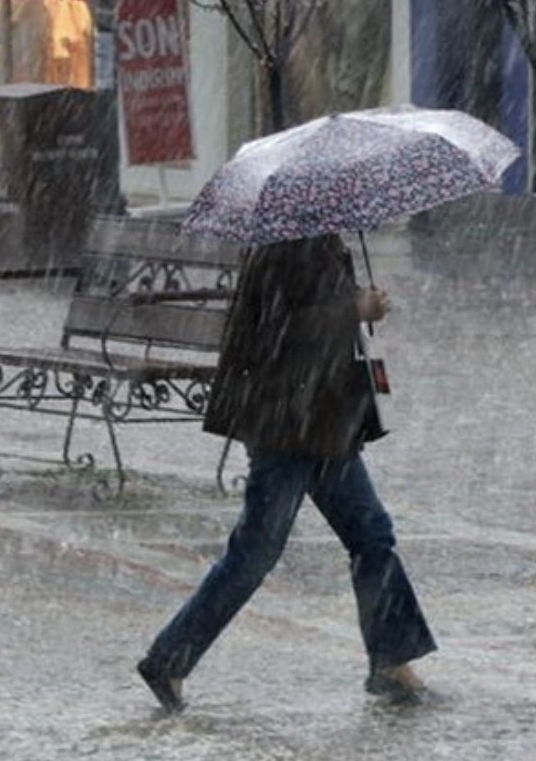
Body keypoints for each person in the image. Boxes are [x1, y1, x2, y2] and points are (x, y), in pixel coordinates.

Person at [137, 233, 436, 712]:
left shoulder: (315, 239)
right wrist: (354, 308)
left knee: (371, 535)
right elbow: (281, 331)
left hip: (322, 426)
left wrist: (358, 306)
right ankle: (169, 659)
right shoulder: (286, 244)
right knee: (256, 553)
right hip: (287, 427)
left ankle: (391, 662)